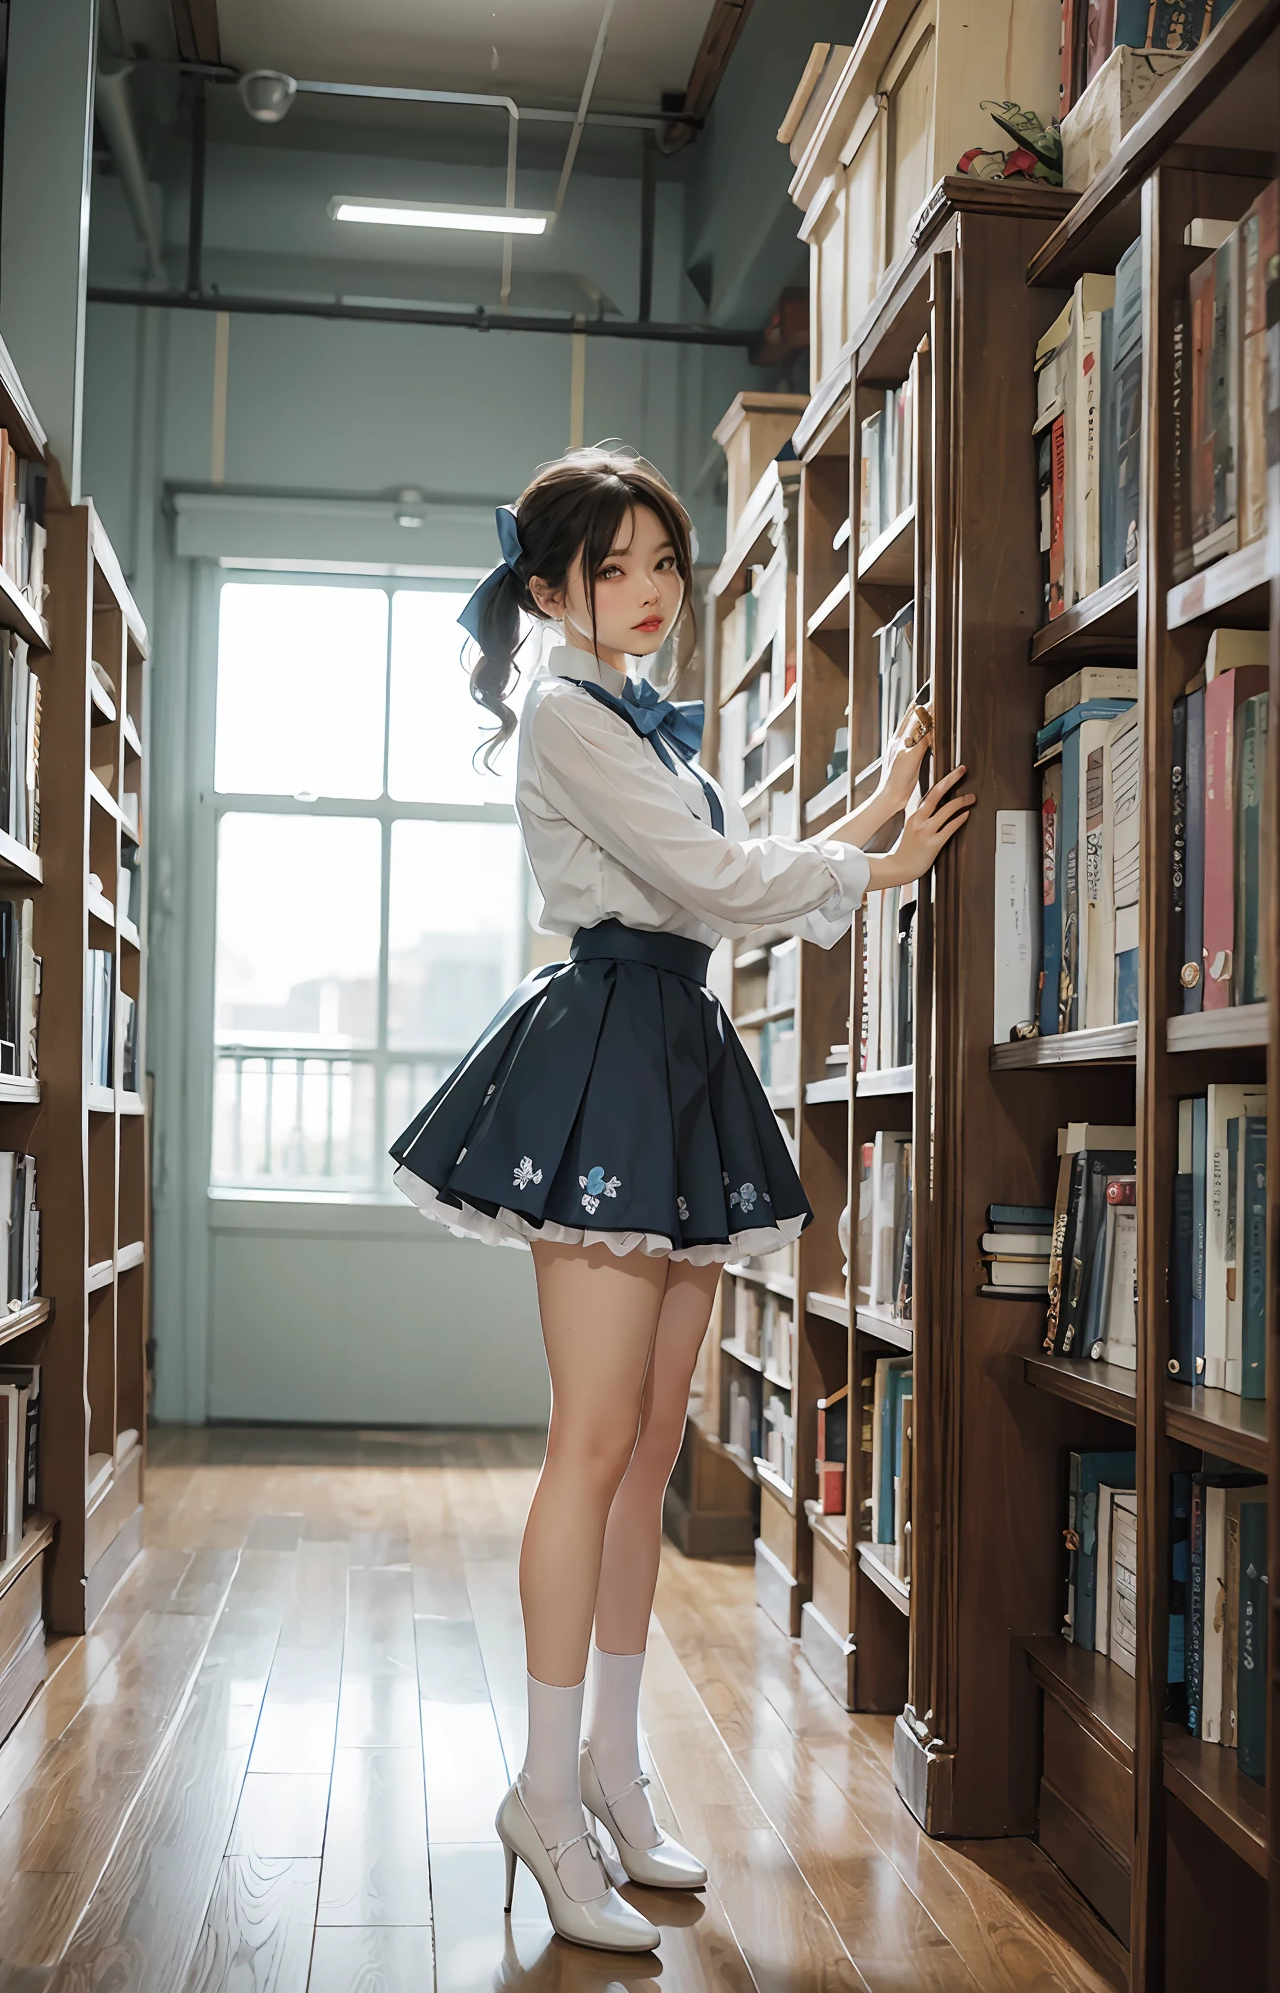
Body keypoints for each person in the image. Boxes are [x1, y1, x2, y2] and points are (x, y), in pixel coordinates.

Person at [390, 446, 974, 1953]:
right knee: (592, 1441)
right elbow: (719, 882)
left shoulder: (641, 727)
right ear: (548, 588)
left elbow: (734, 861)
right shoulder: (570, 718)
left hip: (674, 1054)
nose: (652, 594)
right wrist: (886, 865)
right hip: (606, 1054)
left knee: (652, 1441)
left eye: (668, 565)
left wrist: (884, 806)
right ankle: (540, 1789)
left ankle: (609, 1772)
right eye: (619, 568)